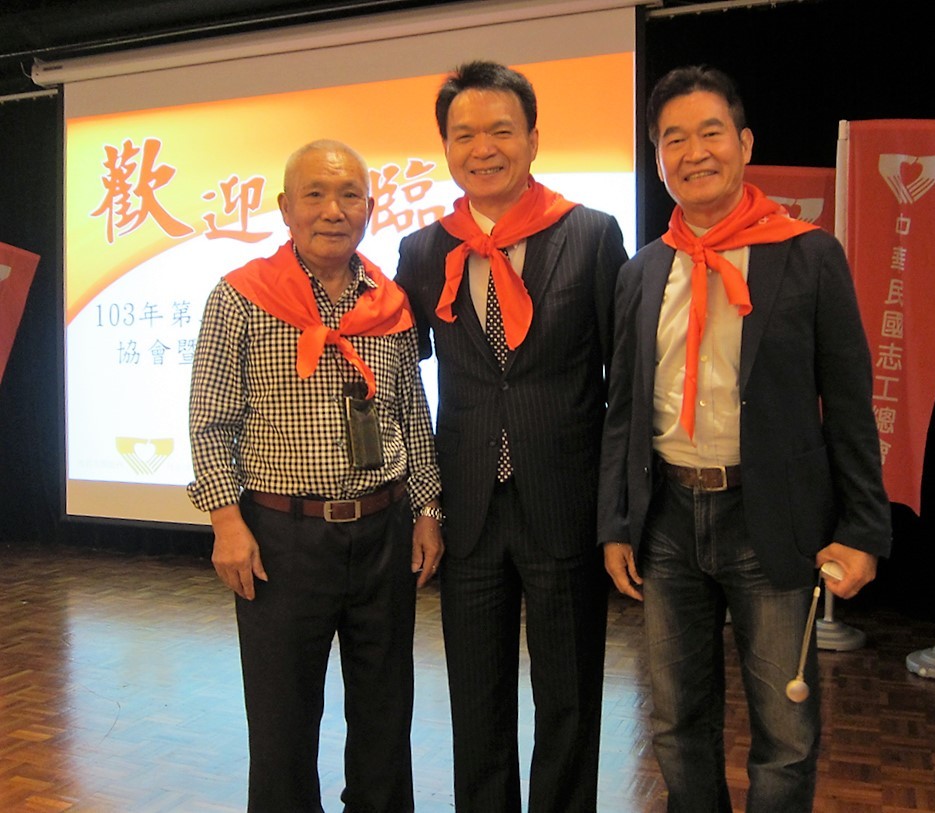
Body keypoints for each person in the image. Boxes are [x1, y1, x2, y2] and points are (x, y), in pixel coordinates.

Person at [598, 66, 891, 812]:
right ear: (657, 158)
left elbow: (850, 404)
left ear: (745, 143)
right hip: (666, 519)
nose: (693, 153)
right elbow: (623, 409)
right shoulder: (643, 271)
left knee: (785, 734)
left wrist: (863, 527)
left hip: (772, 516)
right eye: (673, 140)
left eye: (711, 133)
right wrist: (616, 521)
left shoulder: (809, 254)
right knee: (675, 725)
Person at [395, 61, 627, 812]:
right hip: (468, 508)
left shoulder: (590, 234)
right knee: (476, 700)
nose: (483, 148)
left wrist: (617, 511)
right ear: (446, 147)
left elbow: (622, 382)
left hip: (564, 503)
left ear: (532, 139)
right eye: (464, 134)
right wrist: (422, 503)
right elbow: (398, 379)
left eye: (500, 130)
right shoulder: (424, 250)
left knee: (569, 700)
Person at [187, 139, 444, 813]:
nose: (334, 210)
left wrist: (427, 511)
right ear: (285, 208)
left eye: (349, 195)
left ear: (369, 208)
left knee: (386, 715)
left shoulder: (389, 303)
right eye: (315, 194)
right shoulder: (240, 297)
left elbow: (411, 414)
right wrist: (226, 522)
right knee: (282, 725)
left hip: (383, 532)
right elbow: (209, 421)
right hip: (282, 538)